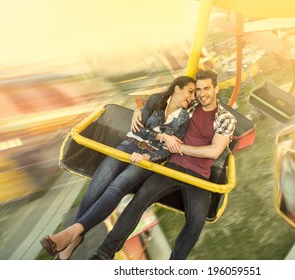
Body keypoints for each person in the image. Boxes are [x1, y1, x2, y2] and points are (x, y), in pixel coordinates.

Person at [40, 75, 196, 259]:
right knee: (98, 183)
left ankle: (72, 234)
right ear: (177, 88)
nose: (192, 97)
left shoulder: (184, 119)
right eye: (190, 92)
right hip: (128, 145)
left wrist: (149, 156)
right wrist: (163, 137)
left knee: (118, 186)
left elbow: (169, 151)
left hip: (146, 159)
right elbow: (138, 130)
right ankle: (74, 238)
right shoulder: (156, 100)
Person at [89, 69, 237, 260]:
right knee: (139, 200)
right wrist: (139, 112)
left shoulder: (225, 118)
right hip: (173, 167)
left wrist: (179, 147)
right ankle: (103, 254)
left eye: (207, 88)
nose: (202, 94)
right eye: (198, 90)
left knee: (195, 223)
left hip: (199, 176)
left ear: (216, 88)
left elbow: (214, 151)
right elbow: (162, 106)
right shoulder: (190, 107)